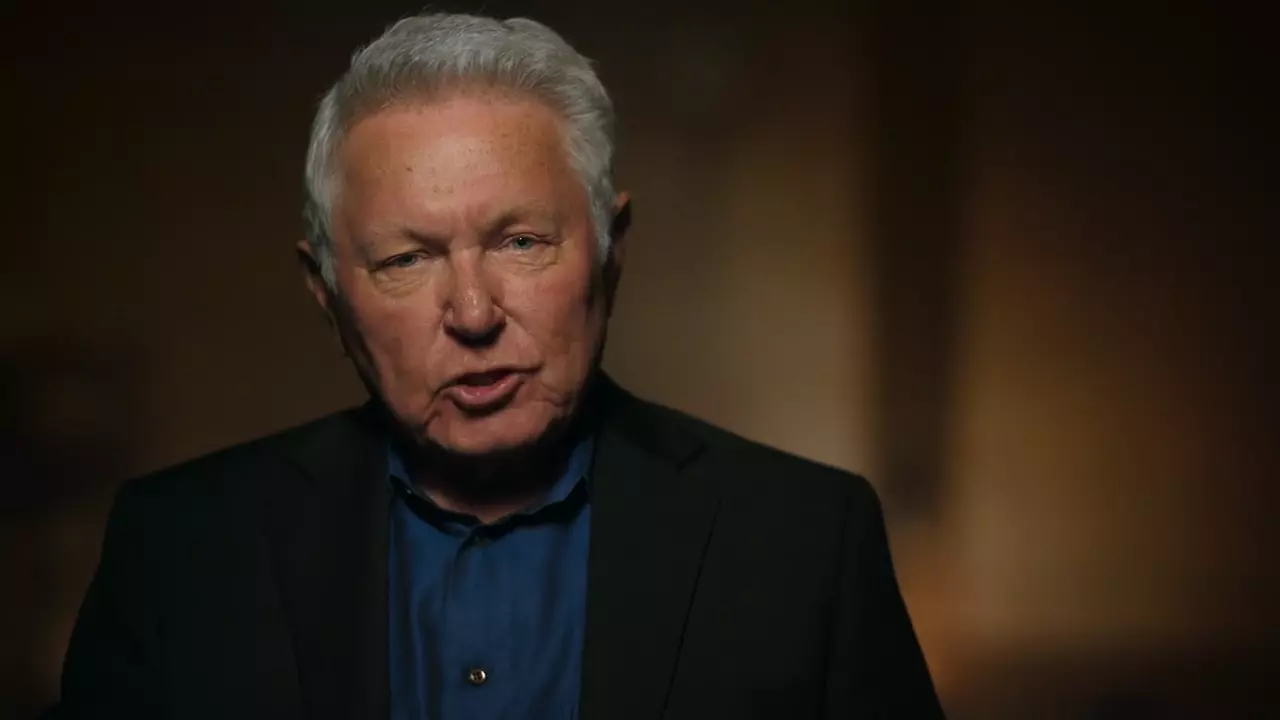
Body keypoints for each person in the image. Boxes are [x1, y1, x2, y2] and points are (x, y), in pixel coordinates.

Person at [50, 12, 943, 720]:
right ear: (327, 295)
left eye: (521, 242)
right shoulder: (178, 550)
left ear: (610, 252)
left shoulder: (805, 543)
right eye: (405, 259)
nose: (474, 314)